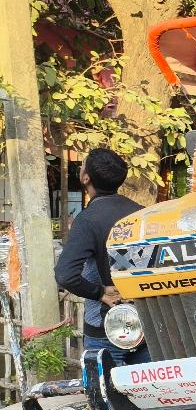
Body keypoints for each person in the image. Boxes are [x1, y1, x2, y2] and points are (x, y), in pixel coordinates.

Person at [55, 149, 150, 365]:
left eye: (82, 165)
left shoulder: (87, 220)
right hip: (147, 324)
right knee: (151, 394)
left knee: (106, 396)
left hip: (106, 329)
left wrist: (99, 293)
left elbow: (65, 275)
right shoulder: (142, 213)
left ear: (86, 177)